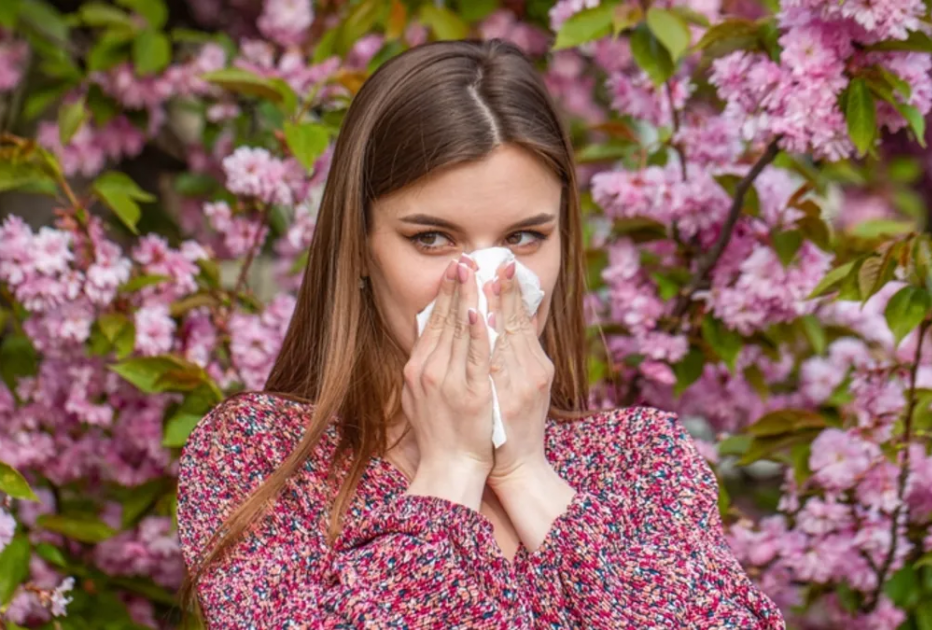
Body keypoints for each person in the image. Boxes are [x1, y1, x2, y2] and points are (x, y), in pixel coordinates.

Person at [175, 38, 786, 629]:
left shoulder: (638, 460)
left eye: (524, 238)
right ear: (360, 248)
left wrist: (525, 473)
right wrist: (451, 473)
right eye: (432, 238)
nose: (486, 281)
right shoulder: (260, 458)